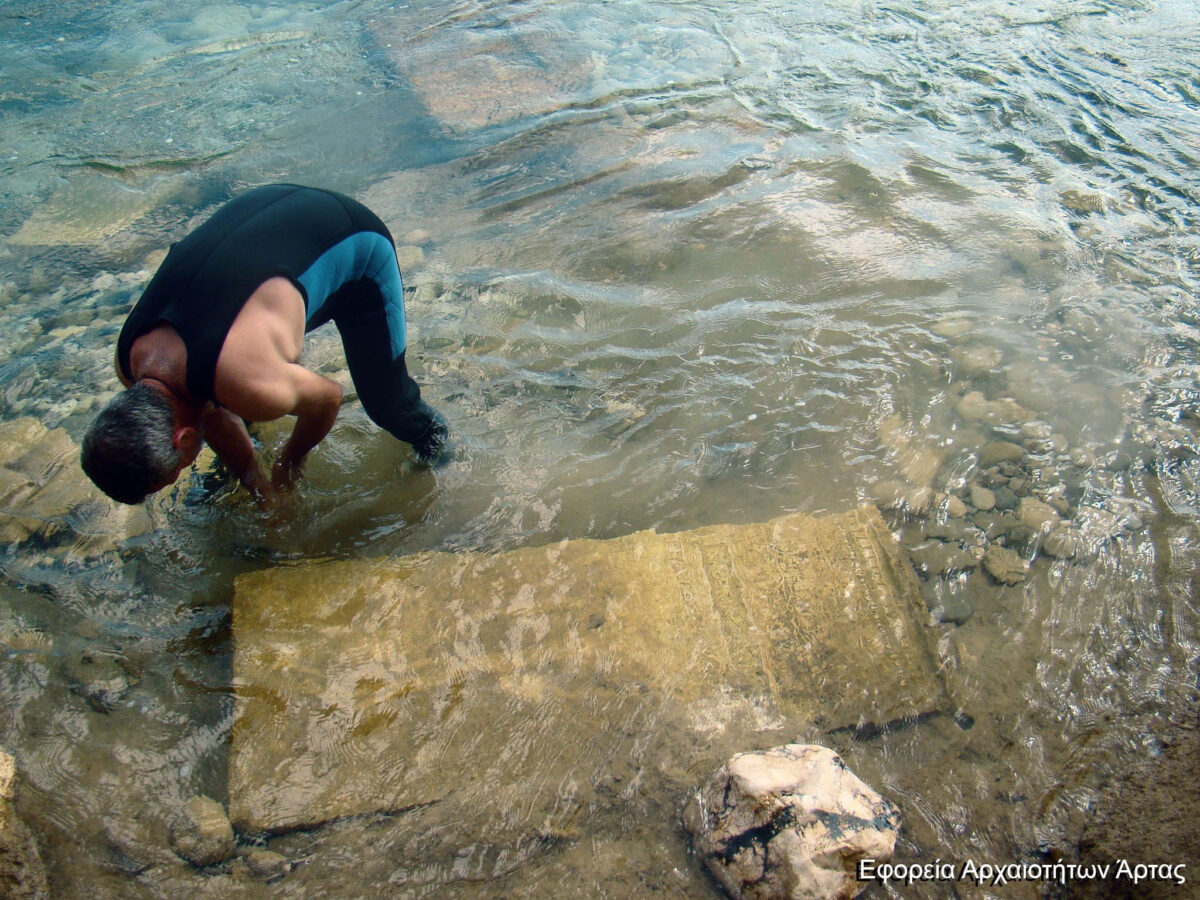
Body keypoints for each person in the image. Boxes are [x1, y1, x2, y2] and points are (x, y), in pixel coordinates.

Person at [81, 183, 448, 506]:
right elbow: (208, 411)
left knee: (389, 405)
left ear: (184, 437)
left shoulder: (247, 382)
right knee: (231, 398)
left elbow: (327, 398)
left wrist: (289, 464)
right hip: (269, 207)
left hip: (353, 238)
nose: (185, 467)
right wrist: (256, 486)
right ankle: (247, 460)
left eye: (178, 468)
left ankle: (446, 453)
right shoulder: (129, 359)